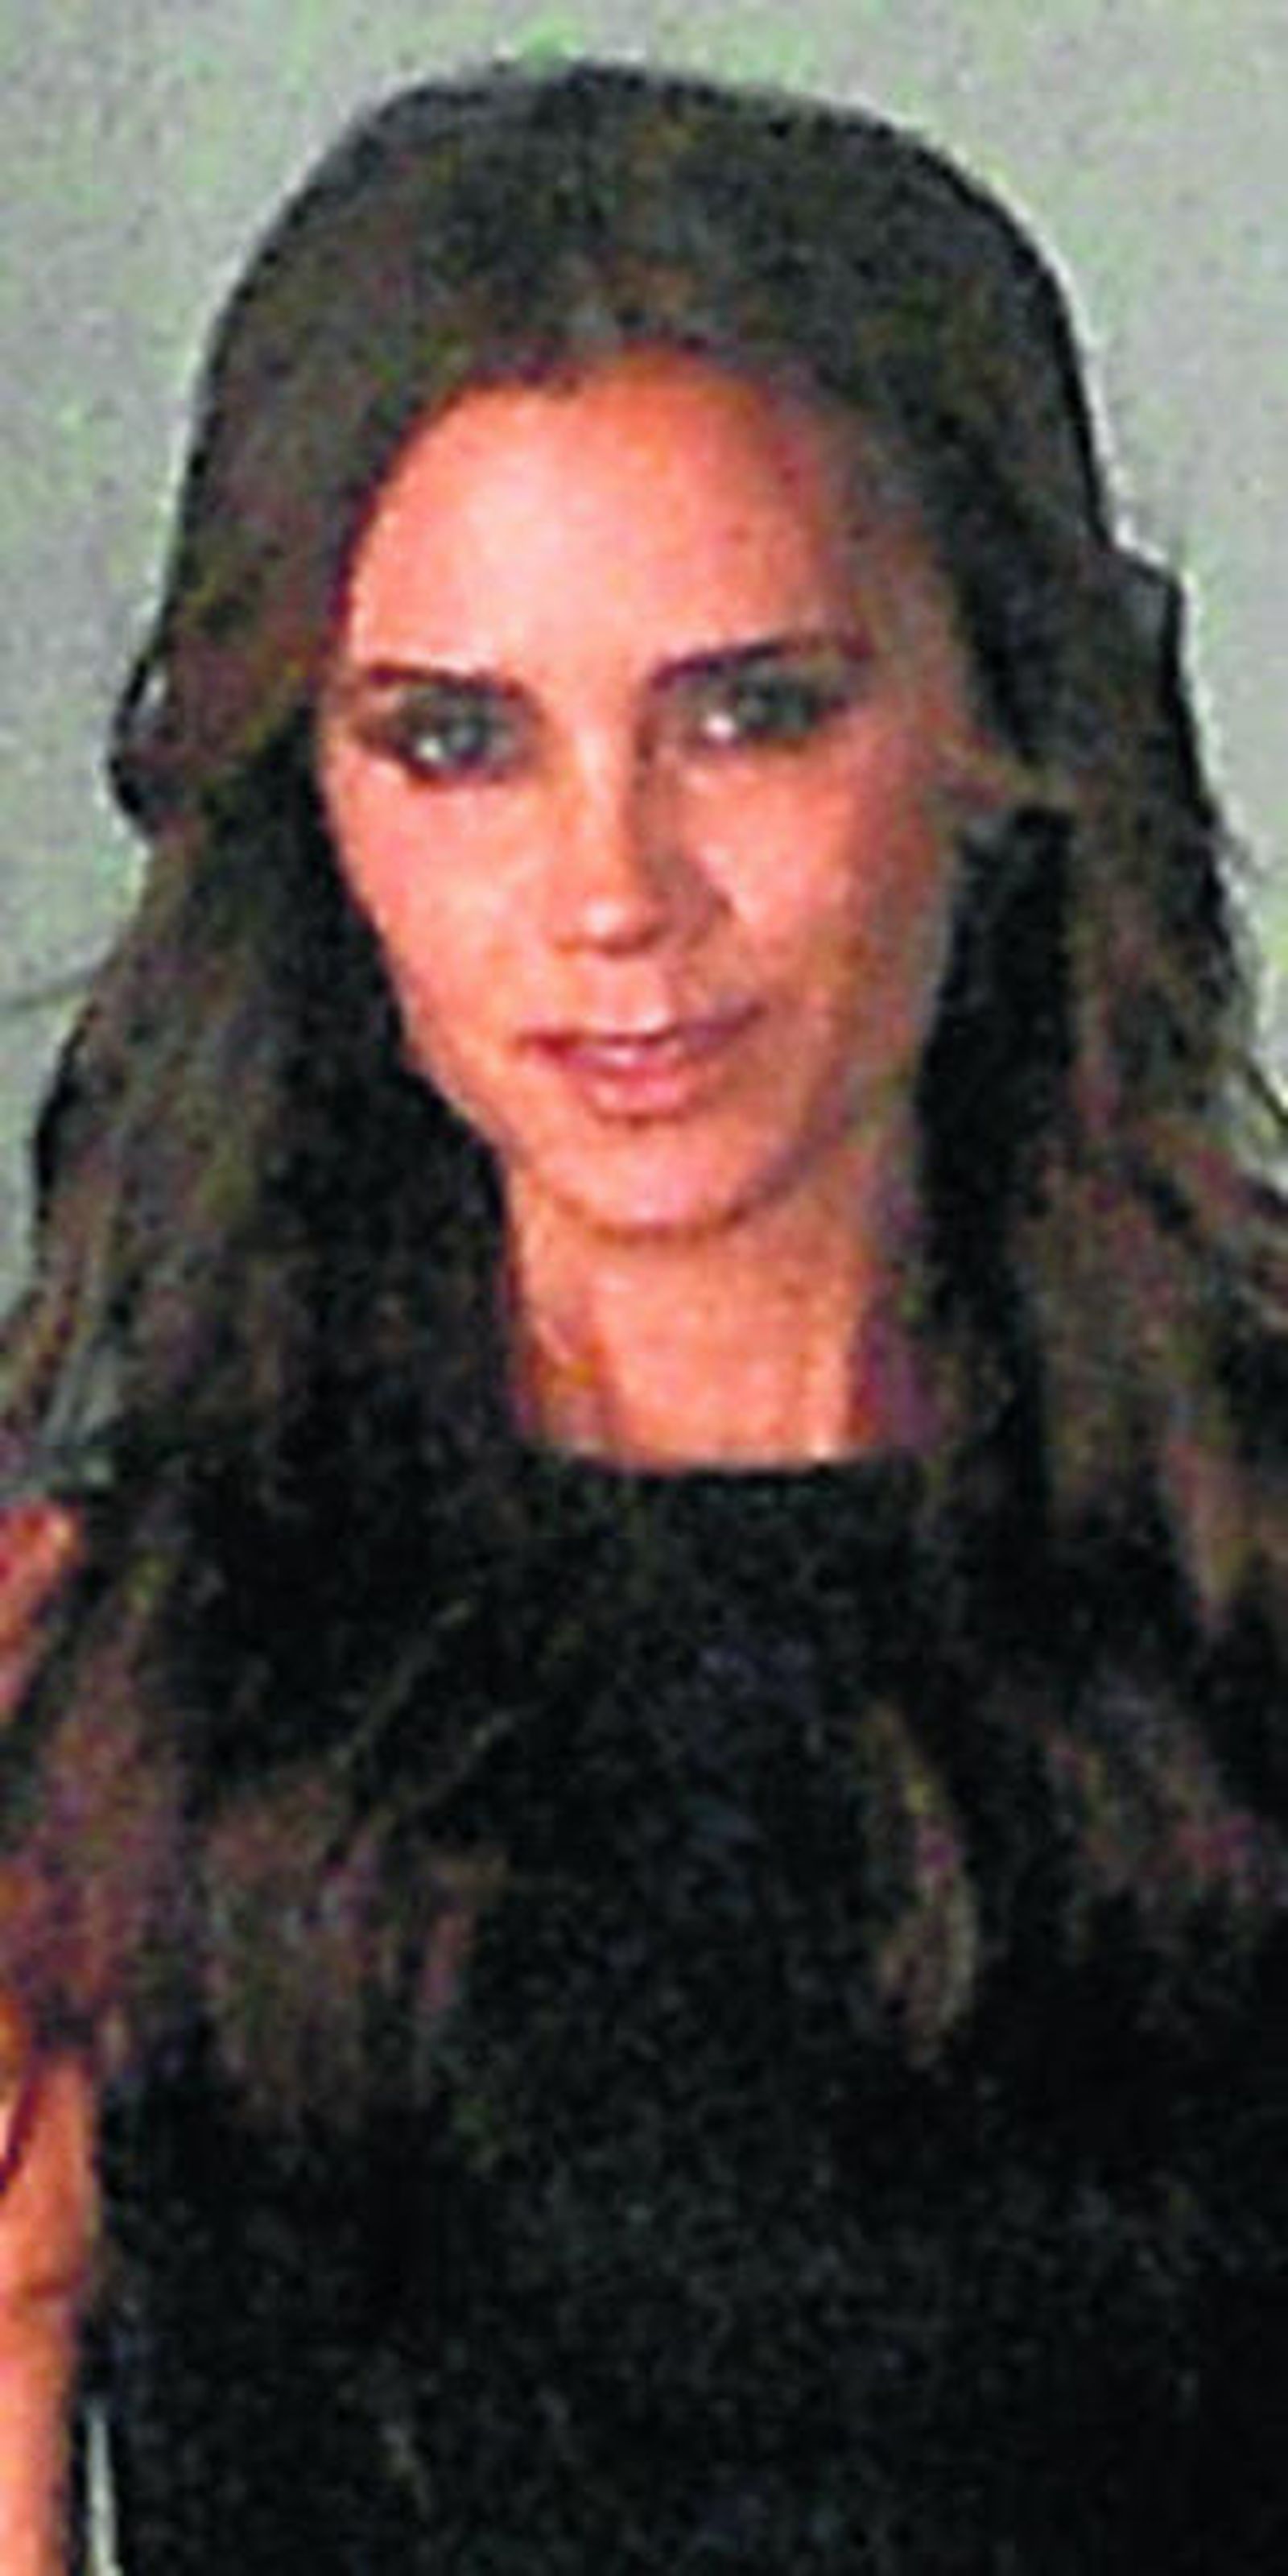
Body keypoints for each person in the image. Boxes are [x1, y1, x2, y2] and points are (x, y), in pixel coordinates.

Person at [1, 53, 1286, 2572]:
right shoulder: (109, 1679)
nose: (613, 893)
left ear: (998, 731)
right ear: (310, 804)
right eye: (456, 743)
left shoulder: (1238, 1592)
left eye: (750, 713)